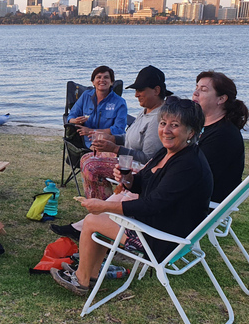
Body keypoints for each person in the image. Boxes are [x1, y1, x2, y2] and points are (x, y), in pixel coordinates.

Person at [51, 97, 213, 296]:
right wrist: (127, 179)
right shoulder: (168, 152)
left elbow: (152, 205)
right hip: (158, 225)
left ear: (191, 132)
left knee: (94, 219)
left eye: (175, 125)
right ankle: (92, 274)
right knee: (102, 217)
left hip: (163, 239)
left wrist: (104, 206)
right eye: (163, 123)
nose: (166, 130)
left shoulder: (188, 165)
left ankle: (81, 280)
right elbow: (142, 183)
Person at [52, 65, 172, 240]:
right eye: (136, 90)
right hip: (121, 155)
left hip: (142, 169)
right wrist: (112, 141)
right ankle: (96, 219)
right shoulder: (145, 110)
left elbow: (148, 158)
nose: (136, 94)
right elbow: (128, 137)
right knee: (88, 159)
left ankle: (101, 219)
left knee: (91, 165)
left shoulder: (157, 119)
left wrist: (113, 146)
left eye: (140, 90)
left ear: (156, 90)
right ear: (92, 81)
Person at [192, 71, 249, 202]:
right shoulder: (203, 127)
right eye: (196, 88)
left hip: (199, 205)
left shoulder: (224, 135)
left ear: (221, 99)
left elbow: (194, 175)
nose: (195, 93)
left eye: (203, 90)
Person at [67, 65, 128, 148]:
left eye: (106, 77)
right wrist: (75, 121)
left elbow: (119, 129)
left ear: (111, 82)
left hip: (109, 142)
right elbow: (71, 116)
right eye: (98, 77)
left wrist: (92, 131)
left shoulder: (120, 102)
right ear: (93, 82)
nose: (102, 80)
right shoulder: (85, 96)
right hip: (86, 142)